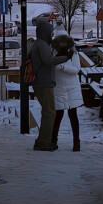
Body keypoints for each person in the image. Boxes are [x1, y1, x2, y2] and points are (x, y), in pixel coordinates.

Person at [30, 20, 70, 151]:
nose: (51, 34)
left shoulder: (40, 44)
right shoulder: (42, 44)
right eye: (50, 31)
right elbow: (47, 61)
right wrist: (64, 58)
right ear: (45, 32)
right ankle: (44, 141)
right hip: (43, 83)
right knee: (49, 112)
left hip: (42, 82)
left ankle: (42, 140)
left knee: (48, 111)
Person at [51, 33, 82, 151]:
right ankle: (53, 141)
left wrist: (63, 67)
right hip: (58, 88)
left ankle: (76, 142)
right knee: (58, 115)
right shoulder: (53, 52)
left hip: (71, 88)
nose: (61, 44)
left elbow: (76, 69)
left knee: (73, 115)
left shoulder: (73, 53)